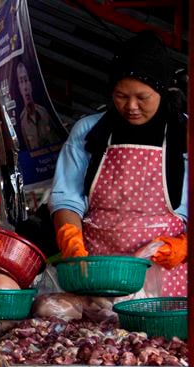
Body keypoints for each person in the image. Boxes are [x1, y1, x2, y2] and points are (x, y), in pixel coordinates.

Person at [50, 31, 188, 296]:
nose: (131, 106)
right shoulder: (89, 131)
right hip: (99, 272)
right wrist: (71, 242)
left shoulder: (185, 133)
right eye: (121, 96)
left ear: (161, 88)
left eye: (142, 97)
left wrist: (184, 246)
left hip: (167, 276)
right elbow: (66, 197)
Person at [15, 61, 63, 150]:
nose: (25, 87)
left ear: (30, 84)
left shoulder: (44, 112)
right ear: (19, 88)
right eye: (21, 81)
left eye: (26, 80)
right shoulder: (22, 123)